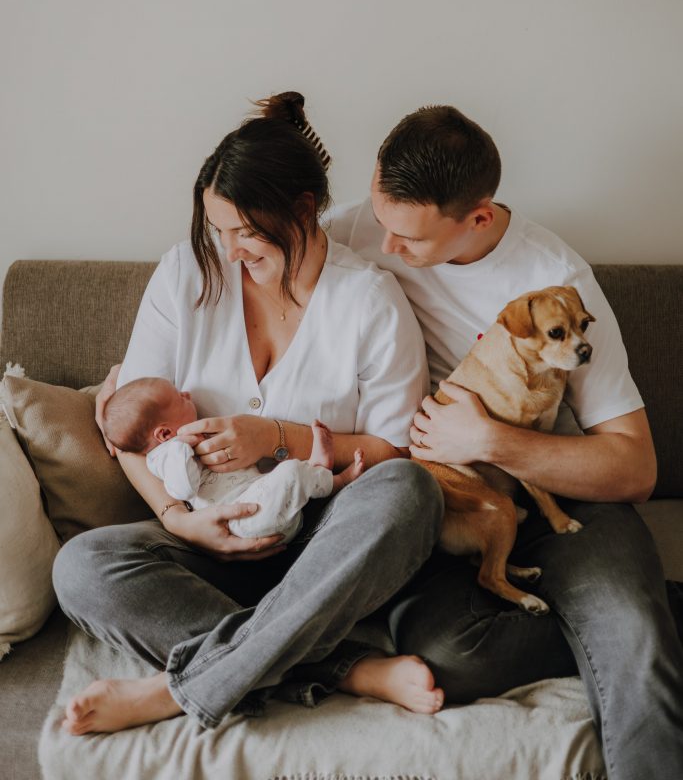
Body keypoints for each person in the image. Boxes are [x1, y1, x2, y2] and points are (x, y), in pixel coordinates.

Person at [53, 93, 443, 735]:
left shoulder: (369, 301)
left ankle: (177, 689)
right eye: (218, 230)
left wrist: (276, 437)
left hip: (327, 547)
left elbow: (393, 452)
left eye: (246, 232)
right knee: (82, 567)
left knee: (410, 492)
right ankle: (342, 667)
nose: (229, 251)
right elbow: (129, 434)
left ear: (303, 210)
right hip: (209, 540)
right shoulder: (185, 275)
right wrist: (180, 520)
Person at [328, 104, 683, 780]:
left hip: (565, 493)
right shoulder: (361, 227)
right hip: (453, 500)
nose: (386, 246)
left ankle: (631, 621)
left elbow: (635, 467)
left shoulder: (555, 281)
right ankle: (644, 613)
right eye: (379, 219)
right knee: (449, 656)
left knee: (633, 642)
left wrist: (489, 438)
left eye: (411, 239)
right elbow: (255, 262)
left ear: (479, 217)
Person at [102, 377, 364, 542]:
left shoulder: (186, 441)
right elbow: (182, 489)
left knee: (287, 475)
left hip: (261, 501)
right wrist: (182, 448)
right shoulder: (166, 455)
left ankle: (315, 472)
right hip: (242, 519)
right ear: (165, 433)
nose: (187, 394)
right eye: (179, 397)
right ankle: (334, 480)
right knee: (291, 474)